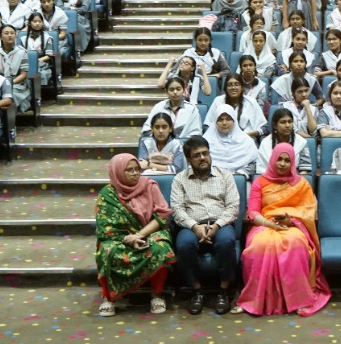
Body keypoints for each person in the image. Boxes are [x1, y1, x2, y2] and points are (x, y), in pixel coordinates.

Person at [237, 144, 330, 316]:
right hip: (263, 225)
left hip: (293, 226)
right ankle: (253, 299)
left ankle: (299, 299)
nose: (282, 163)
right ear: (272, 159)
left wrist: (291, 221)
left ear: (293, 162)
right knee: (260, 245)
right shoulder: (260, 182)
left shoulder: (301, 184)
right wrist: (269, 224)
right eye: (279, 159)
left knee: (294, 243)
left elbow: (308, 212)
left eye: (287, 160)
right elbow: (253, 211)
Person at [94, 153, 175, 316]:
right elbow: (105, 228)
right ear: (117, 173)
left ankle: (157, 295)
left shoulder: (150, 185)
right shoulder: (107, 195)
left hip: (147, 232)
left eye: (137, 169)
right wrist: (127, 239)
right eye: (129, 170)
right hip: (119, 238)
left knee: (161, 246)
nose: (135, 173)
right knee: (108, 250)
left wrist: (138, 235)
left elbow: (161, 216)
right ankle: (108, 298)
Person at [170, 135, 241, 315]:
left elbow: (233, 207)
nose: (202, 158)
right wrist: (195, 227)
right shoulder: (180, 180)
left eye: (205, 153)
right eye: (197, 155)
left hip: (221, 223)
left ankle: (224, 291)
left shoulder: (224, 176)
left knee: (226, 241)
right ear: (188, 159)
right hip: (191, 226)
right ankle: (196, 291)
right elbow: (177, 210)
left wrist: (216, 226)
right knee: (184, 244)